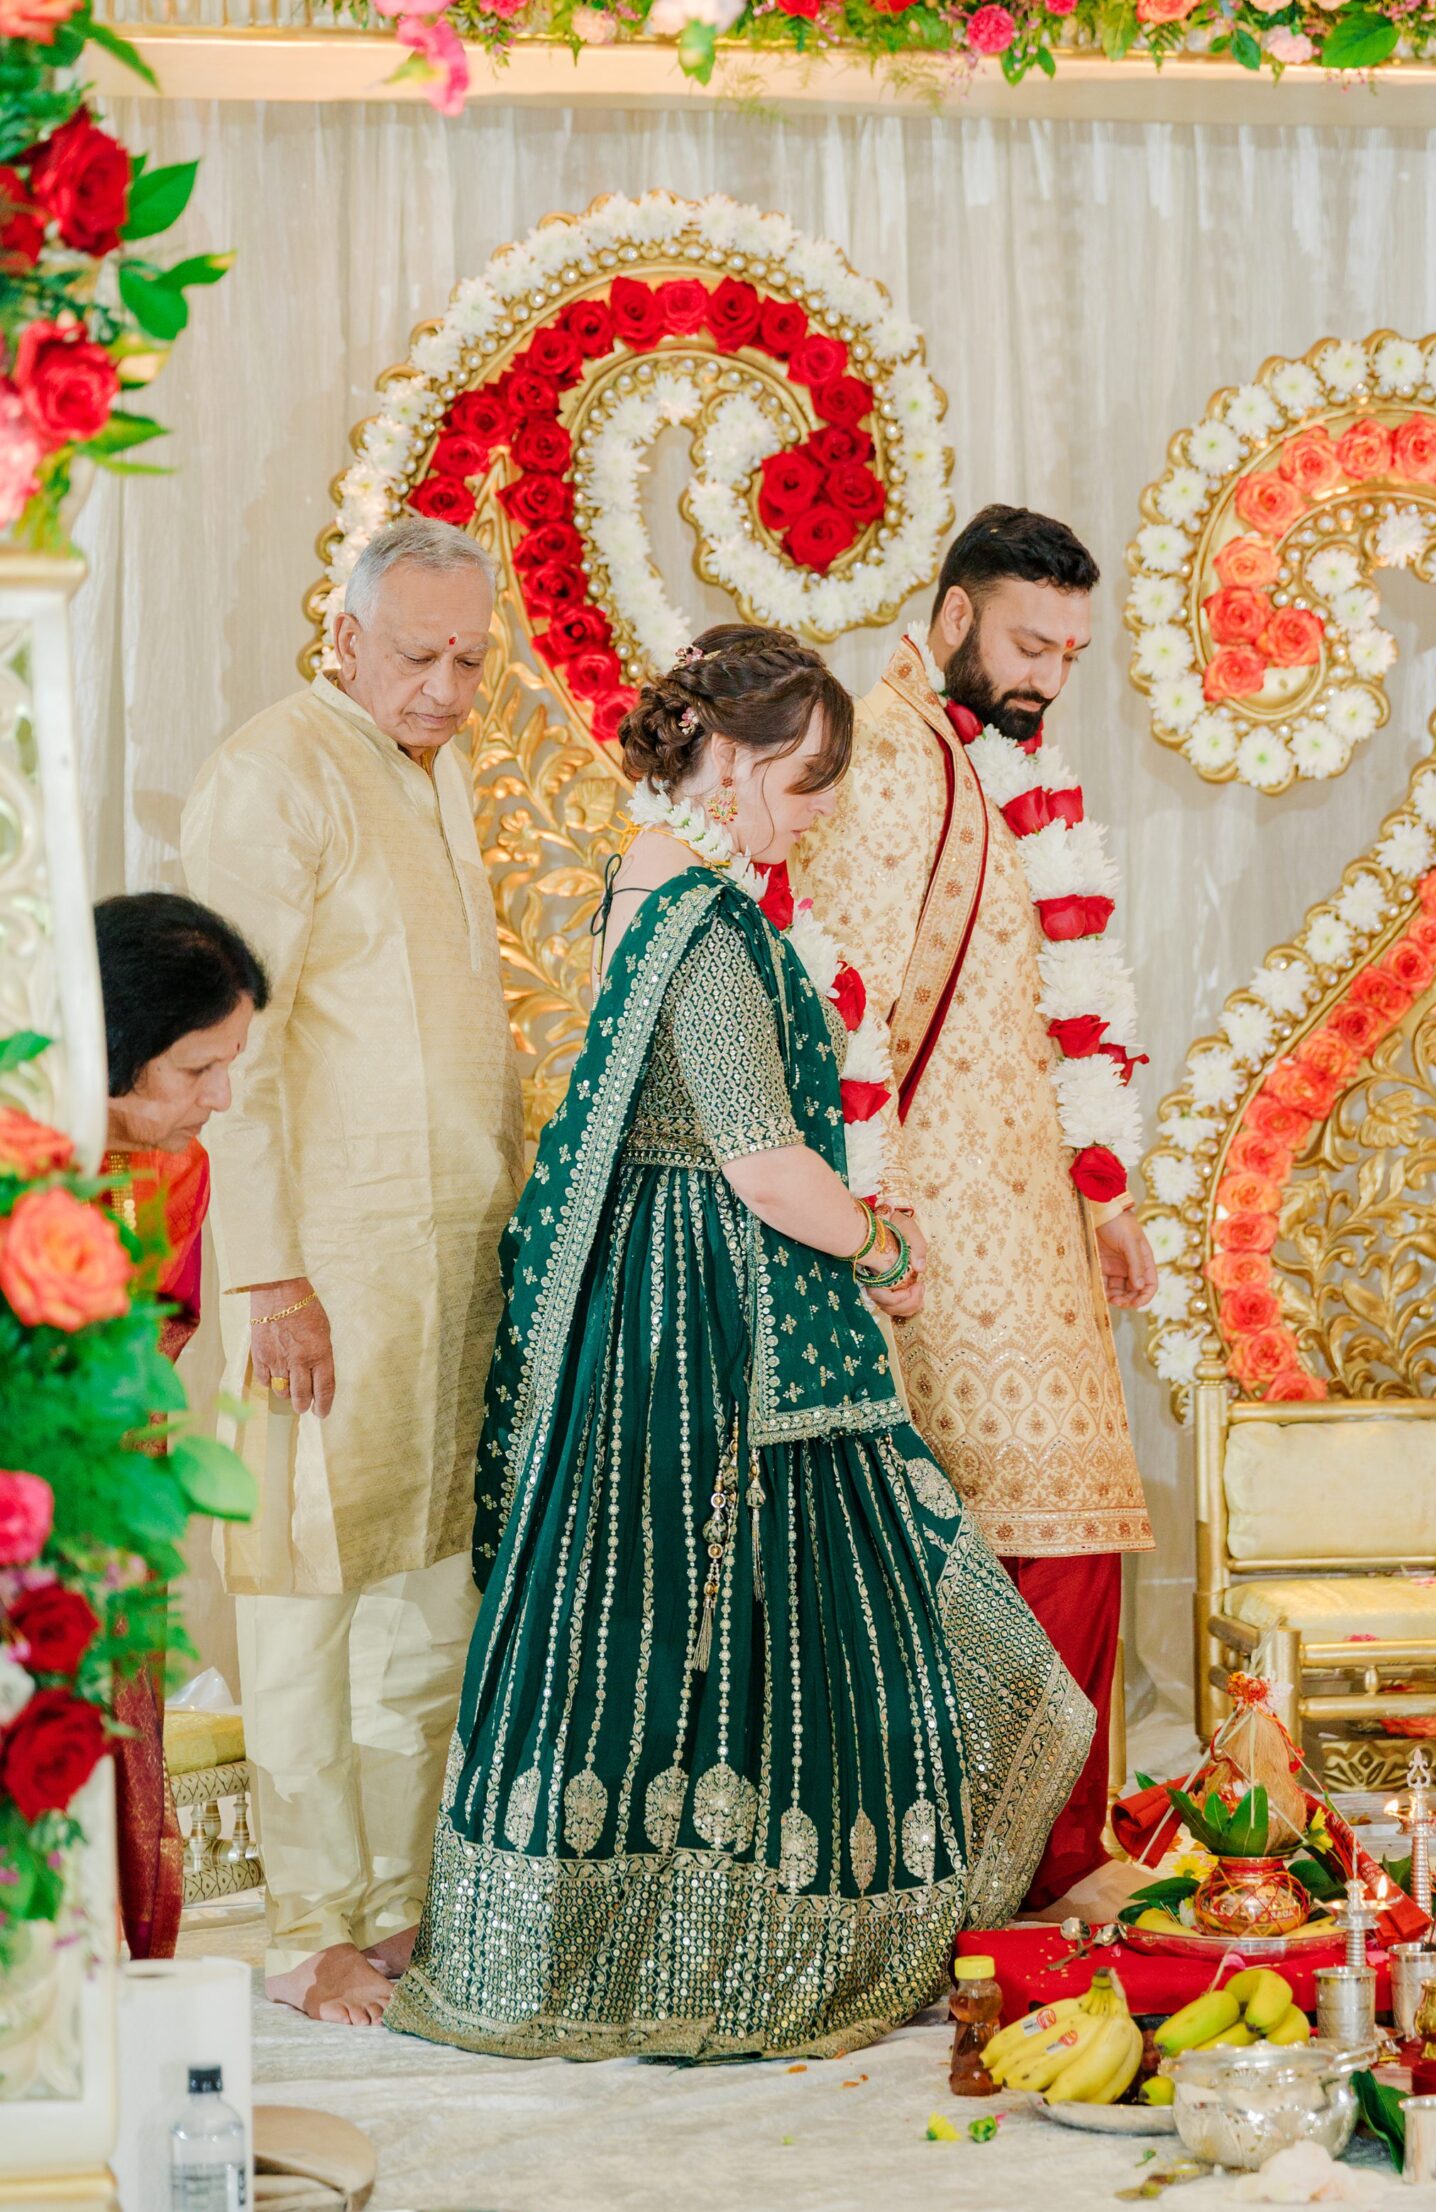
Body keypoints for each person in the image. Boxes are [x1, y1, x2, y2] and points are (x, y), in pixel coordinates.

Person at [381, 625, 1091, 2059]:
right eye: (808, 778)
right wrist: (887, 1249)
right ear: (728, 758)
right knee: (758, 1613)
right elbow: (762, 1161)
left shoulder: (650, 887)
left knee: (673, 1631)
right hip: (713, 1315)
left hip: (663, 1301)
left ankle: (627, 1929)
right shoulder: (703, 921)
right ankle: (753, 1941)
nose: (821, 808)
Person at [180, 516, 524, 2022]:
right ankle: (309, 1923)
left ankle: (401, 1906)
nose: (448, 689)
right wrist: (265, 1278)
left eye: (468, 659)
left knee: (420, 1588)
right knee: (307, 1590)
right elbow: (225, 1060)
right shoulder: (273, 775)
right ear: (343, 638)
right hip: (312, 1270)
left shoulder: (430, 769)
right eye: (418, 657)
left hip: (441, 1259)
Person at [797, 504, 1157, 1918]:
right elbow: (844, 1012)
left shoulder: (992, 760)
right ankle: (1010, 1873)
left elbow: (1061, 1018)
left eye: (1067, 652)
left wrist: (1105, 1192)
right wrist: (866, 1223)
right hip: (938, 1235)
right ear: (947, 615)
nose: (1044, 676)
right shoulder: (887, 760)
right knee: (1015, 1540)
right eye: (1023, 642)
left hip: (1032, 1222)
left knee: (1063, 1531)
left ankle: (1030, 1861)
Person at [95, 888, 270, 1960]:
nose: (222, 1092)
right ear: (119, 1045)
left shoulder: (174, 1168)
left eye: (231, 1060)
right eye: (196, 1067)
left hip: (105, 1483)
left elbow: (155, 1342)